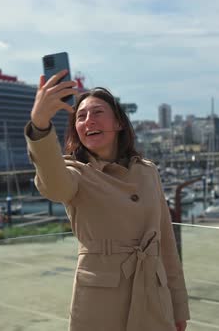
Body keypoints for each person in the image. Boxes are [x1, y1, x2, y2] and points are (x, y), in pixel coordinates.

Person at [25, 70, 189, 331]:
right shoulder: (75, 171)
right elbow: (54, 186)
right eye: (81, 116)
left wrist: (179, 306)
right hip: (100, 300)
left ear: (119, 123)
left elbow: (166, 243)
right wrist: (40, 125)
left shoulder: (148, 171)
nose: (89, 120)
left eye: (97, 112)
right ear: (76, 130)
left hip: (154, 296)